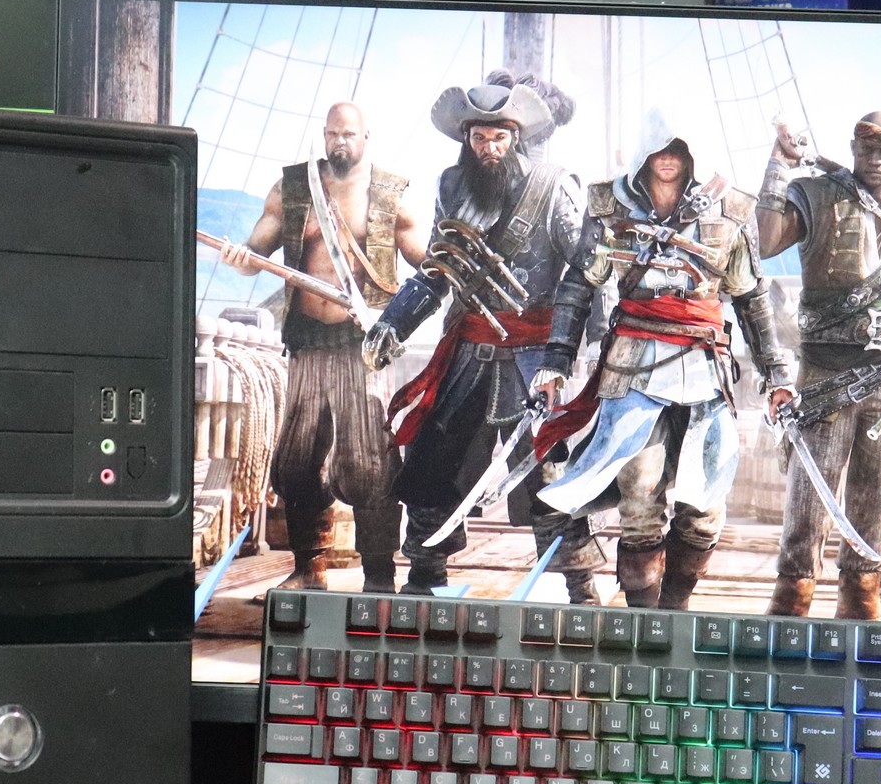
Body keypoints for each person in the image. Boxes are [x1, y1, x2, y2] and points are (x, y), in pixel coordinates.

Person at [533, 117, 795, 608]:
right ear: (645, 154)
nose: (668, 158)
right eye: (659, 148)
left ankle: (675, 610)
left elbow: (751, 298)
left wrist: (776, 374)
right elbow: (577, 287)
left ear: (693, 154)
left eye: (678, 148)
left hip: (705, 368)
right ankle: (642, 618)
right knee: (638, 495)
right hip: (633, 367)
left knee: (705, 505)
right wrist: (556, 362)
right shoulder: (609, 207)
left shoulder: (731, 210)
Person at [363, 75, 599, 599]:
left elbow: (587, 273)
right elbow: (438, 269)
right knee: (431, 463)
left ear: (515, 137)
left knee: (548, 474)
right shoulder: (452, 187)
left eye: (499, 137)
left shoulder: (555, 186)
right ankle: (425, 577)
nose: (489, 148)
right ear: (466, 139)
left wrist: (575, 353)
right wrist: (393, 322)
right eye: (479, 138)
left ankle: (580, 589)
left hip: (535, 359)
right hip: (467, 352)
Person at [220, 102, 429, 591]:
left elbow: (428, 266)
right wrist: (240, 259)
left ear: (366, 137)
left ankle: (379, 575)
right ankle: (307, 569)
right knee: (298, 460)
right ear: (324, 135)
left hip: (364, 349)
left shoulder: (390, 195)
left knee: (371, 462)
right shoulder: (293, 189)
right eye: (333, 134)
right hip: (308, 343)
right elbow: (256, 251)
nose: (340, 142)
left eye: (349, 134)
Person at [757, 112, 881, 620]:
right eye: (867, 150)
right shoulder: (816, 195)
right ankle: (791, 606)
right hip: (825, 376)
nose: (876, 160)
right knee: (807, 503)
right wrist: (778, 164)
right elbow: (766, 240)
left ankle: (860, 606)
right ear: (853, 149)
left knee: (880, 503)